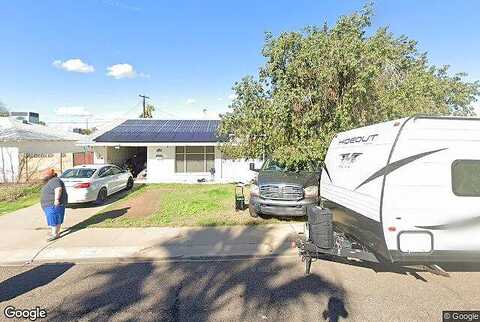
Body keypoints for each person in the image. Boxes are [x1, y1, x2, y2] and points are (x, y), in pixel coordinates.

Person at [40, 168, 68, 241]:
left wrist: (56, 200)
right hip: (51, 204)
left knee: (54, 218)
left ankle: (54, 234)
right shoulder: (51, 181)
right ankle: (56, 233)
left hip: (52, 204)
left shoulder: (54, 180)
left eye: (44, 174)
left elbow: (58, 189)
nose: (43, 176)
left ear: (49, 175)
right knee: (56, 218)